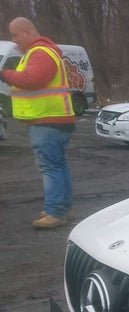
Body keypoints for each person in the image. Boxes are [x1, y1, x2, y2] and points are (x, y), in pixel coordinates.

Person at [0, 17, 75, 229]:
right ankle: (62, 207)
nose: (14, 40)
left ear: (27, 33)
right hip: (53, 120)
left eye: (15, 35)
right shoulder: (40, 52)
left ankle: (55, 212)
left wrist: (5, 74)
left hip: (47, 121)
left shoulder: (40, 52)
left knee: (50, 167)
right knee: (58, 165)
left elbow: (32, 79)